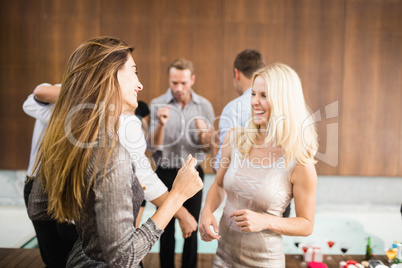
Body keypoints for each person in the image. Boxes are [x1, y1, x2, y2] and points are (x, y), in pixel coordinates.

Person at [27, 36, 203, 267]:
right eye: (134, 71)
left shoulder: (71, 139)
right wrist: (177, 196)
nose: (139, 85)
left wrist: (94, 229)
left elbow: (38, 206)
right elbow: (124, 258)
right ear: (109, 77)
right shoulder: (113, 155)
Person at [199, 63, 318, 267]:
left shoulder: (299, 162)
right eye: (253, 93)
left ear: (284, 101)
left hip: (264, 262)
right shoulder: (234, 138)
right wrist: (207, 211)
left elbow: (306, 224)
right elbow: (219, 185)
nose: (254, 101)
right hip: (223, 257)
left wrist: (265, 221)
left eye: (264, 95)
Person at [148, 58, 215, 268]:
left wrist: (205, 136)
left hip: (193, 173)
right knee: (165, 227)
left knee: (192, 227)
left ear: (192, 80)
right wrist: (160, 124)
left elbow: (209, 148)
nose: (178, 88)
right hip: (165, 173)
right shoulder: (157, 104)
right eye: (174, 82)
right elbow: (152, 147)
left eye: (183, 83)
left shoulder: (204, 106)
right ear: (169, 79)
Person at [23, 83, 78, 267]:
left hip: (68, 184)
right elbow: (36, 95)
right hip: (37, 180)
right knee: (52, 254)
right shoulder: (56, 90)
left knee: (72, 249)